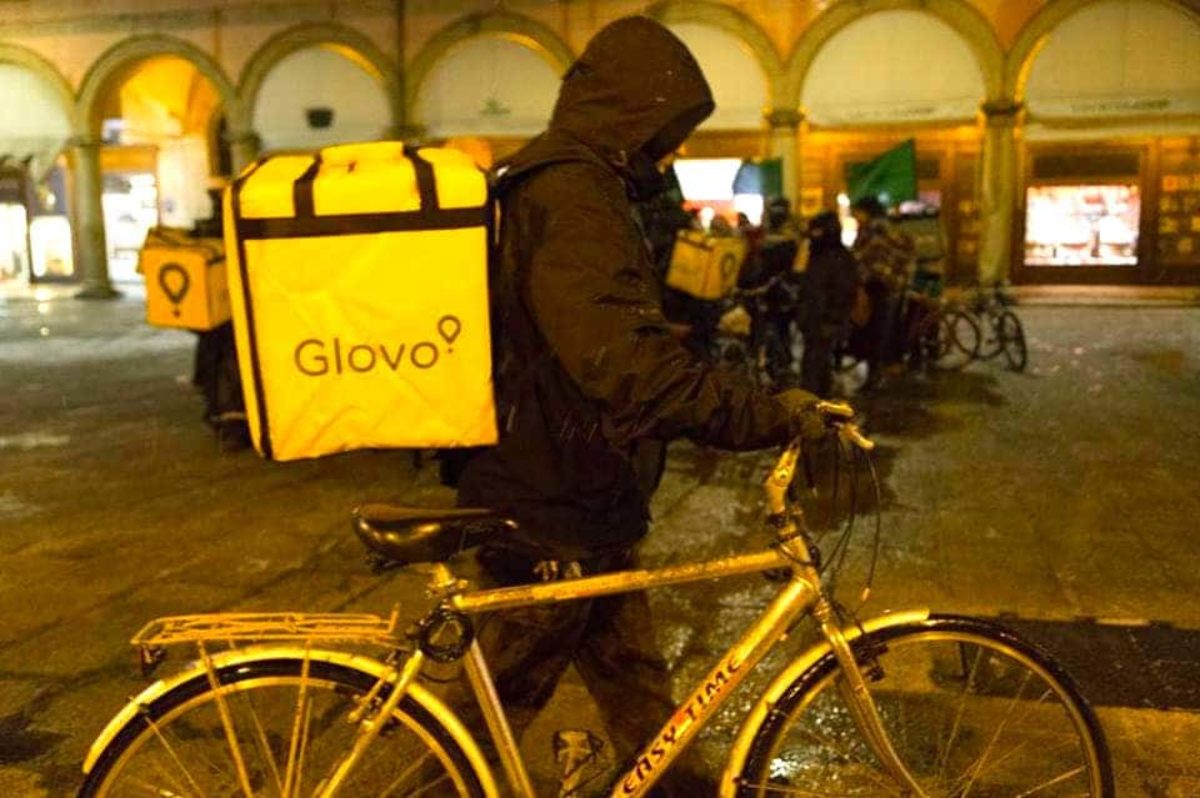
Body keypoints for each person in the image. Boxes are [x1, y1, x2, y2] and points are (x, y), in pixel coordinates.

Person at [453, 16, 827, 793]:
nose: (673, 152)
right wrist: (766, 413)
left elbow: (611, 333)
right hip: (549, 507)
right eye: (666, 133)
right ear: (628, 114)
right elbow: (625, 367)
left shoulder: (573, 186)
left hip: (587, 500)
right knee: (464, 747)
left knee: (648, 716)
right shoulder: (571, 196)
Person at [851, 195, 914, 391]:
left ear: (866, 212)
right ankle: (879, 370)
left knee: (872, 331)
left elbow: (862, 257)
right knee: (883, 329)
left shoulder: (873, 230)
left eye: (857, 212)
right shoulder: (893, 229)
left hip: (875, 285)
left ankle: (874, 375)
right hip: (891, 285)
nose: (855, 216)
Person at [799, 211, 858, 396]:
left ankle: (812, 401)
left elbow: (843, 292)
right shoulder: (818, 255)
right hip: (814, 320)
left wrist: (832, 319)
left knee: (815, 364)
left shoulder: (838, 258)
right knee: (817, 362)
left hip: (825, 320)